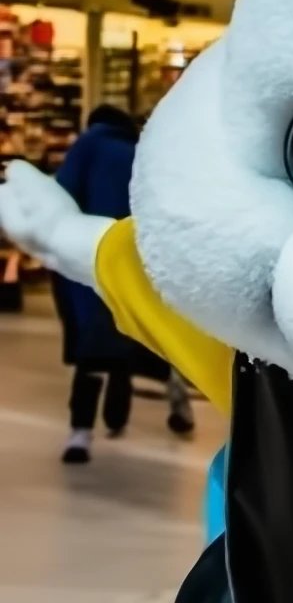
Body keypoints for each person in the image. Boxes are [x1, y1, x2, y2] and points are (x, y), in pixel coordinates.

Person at [51, 104, 194, 463]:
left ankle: (80, 433)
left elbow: (61, 194)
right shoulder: (144, 152)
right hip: (138, 261)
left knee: (92, 350)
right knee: (128, 337)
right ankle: (128, 412)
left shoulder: (89, 144)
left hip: (93, 257)